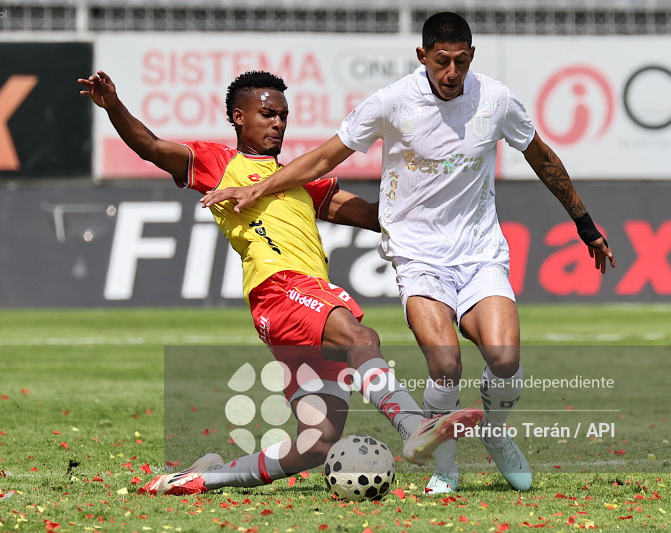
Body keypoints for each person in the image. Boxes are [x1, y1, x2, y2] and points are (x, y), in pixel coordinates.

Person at [200, 13, 617, 495]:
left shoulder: (496, 100)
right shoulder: (392, 102)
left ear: (472, 56)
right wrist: (260, 187)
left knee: (504, 359)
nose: (452, 72)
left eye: (461, 61)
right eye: (442, 61)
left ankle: (495, 432)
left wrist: (584, 223)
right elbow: (324, 158)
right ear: (423, 56)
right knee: (445, 364)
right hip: (418, 256)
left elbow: (541, 156)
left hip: (480, 252)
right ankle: (445, 465)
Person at [78, 69, 483, 496]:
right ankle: (413, 425)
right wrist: (114, 106)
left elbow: (372, 215)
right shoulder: (220, 164)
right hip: (279, 289)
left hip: (305, 302)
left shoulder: (297, 178)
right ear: (238, 117)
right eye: (267, 114)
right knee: (360, 336)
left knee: (315, 445)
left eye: (283, 116)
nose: (278, 124)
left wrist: (428, 182)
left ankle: (199, 479)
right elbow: (150, 145)